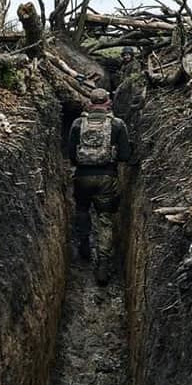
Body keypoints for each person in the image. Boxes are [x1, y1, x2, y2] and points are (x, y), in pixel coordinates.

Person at [68, 88, 131, 285]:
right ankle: (103, 265)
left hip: (82, 178)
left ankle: (84, 247)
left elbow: (71, 154)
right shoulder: (117, 124)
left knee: (82, 210)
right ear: (108, 103)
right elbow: (124, 156)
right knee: (104, 219)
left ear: (90, 103)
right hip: (106, 178)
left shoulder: (78, 123)